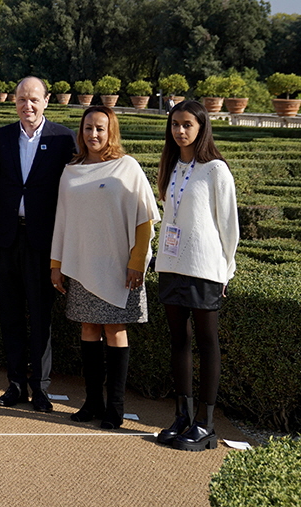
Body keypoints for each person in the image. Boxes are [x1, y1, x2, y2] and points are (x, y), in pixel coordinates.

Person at [50, 105, 159, 429]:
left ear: (111, 131)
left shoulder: (127, 167)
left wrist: (137, 263)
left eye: (100, 128)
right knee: (88, 329)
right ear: (80, 132)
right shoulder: (71, 170)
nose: (93, 134)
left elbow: (145, 219)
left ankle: (116, 408)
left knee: (115, 330)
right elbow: (63, 221)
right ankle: (92, 402)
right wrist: (57, 264)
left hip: (119, 266)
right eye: (88, 128)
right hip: (83, 264)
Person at [0, 77, 75, 412]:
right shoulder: (3, 137)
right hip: (6, 239)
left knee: (40, 315)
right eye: (22, 99)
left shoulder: (64, 138)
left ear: (46, 101)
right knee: (10, 315)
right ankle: (16, 384)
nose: (28, 105)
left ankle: (41, 388)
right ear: (15, 102)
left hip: (43, 242)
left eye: (34, 99)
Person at [153, 100, 239, 451]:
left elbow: (229, 225)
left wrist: (226, 269)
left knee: (207, 342)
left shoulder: (216, 169)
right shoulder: (171, 165)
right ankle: (182, 415)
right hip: (172, 266)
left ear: (201, 127)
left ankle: (206, 423)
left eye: (187, 124)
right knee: (178, 341)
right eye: (175, 124)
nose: (180, 130)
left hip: (205, 269)